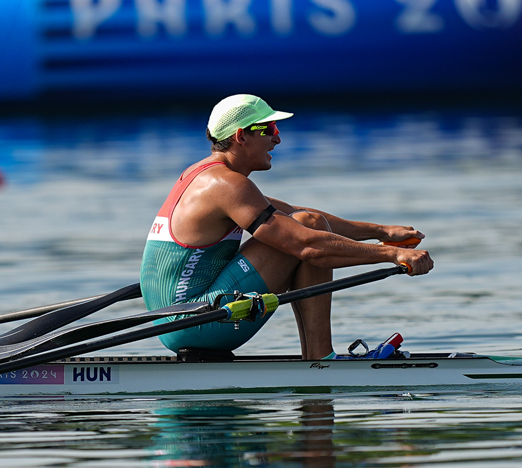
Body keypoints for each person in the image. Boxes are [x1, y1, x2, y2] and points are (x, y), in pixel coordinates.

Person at [139, 94, 433, 360]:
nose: (277, 140)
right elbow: (307, 245)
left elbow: (294, 213)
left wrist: (382, 232)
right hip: (195, 324)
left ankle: (318, 355)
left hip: (181, 321)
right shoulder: (226, 185)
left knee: (307, 223)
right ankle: (320, 358)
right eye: (270, 130)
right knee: (307, 235)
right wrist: (393, 255)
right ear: (241, 136)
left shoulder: (206, 175)